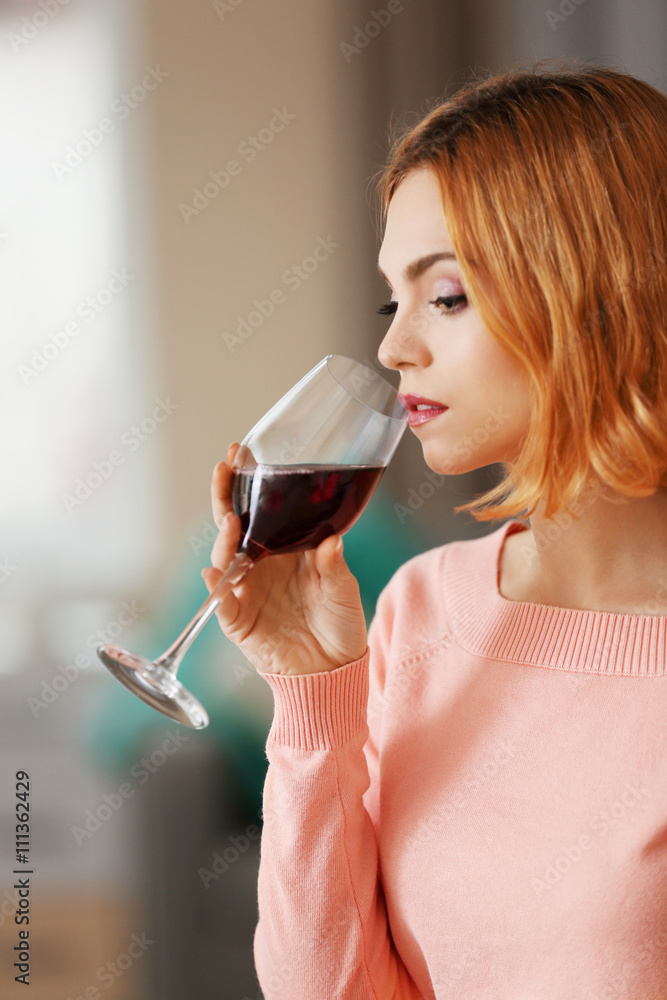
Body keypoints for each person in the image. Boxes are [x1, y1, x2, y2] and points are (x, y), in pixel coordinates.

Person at [201, 58, 667, 998]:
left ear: (597, 294)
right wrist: (310, 691)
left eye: (445, 296)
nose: (391, 346)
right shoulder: (422, 609)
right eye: (394, 300)